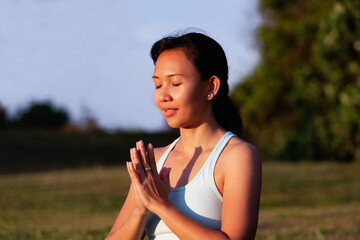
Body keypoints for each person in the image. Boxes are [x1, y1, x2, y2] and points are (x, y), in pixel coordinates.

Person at [105, 30, 262, 240]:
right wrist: (141, 210)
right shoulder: (155, 160)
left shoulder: (237, 157)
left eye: (175, 83)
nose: (162, 96)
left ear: (211, 87)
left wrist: (161, 206)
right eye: (157, 84)